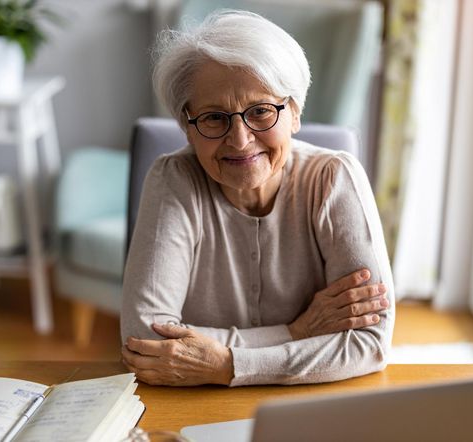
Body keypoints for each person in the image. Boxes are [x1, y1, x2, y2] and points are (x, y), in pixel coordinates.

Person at [121, 10, 394, 387]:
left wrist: (227, 365)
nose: (240, 140)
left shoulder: (333, 178)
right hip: (194, 407)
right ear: (187, 126)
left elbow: (370, 342)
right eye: (215, 118)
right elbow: (147, 341)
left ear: (294, 112)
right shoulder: (174, 180)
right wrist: (297, 332)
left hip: (312, 406)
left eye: (261, 111)